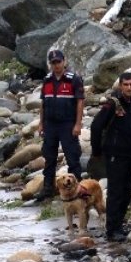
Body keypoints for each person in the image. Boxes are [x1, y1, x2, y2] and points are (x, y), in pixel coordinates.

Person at [91, 71, 131, 241]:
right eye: (125, 84)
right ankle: (112, 229)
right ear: (120, 86)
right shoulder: (112, 104)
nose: (128, 87)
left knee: (126, 192)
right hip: (115, 154)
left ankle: (119, 224)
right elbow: (96, 127)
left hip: (130, 154)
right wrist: (96, 151)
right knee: (116, 192)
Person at [34, 48, 84, 201]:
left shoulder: (73, 79)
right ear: (50, 64)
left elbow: (80, 102)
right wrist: (41, 123)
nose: (56, 65)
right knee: (49, 157)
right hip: (50, 125)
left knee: (72, 157)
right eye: (53, 63)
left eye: (59, 62)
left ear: (64, 61)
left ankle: (77, 189)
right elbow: (43, 103)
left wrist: (78, 124)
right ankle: (48, 188)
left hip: (67, 124)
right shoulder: (47, 80)